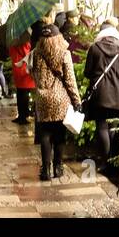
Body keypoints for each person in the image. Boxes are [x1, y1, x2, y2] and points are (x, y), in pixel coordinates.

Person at [31, 22, 82, 180]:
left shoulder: (37, 53)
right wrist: (77, 101)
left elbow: (34, 75)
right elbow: (70, 80)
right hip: (60, 99)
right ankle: (58, 167)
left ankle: (45, 169)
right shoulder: (64, 54)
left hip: (42, 98)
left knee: (45, 134)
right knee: (59, 134)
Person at [83, 16, 119, 177]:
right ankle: (113, 164)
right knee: (113, 128)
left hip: (100, 96)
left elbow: (87, 73)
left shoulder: (95, 48)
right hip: (118, 96)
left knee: (102, 127)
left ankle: (105, 163)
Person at [8, 31, 36, 124]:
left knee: (20, 94)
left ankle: (21, 116)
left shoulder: (12, 41)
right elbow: (27, 54)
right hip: (24, 69)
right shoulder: (24, 42)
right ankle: (24, 117)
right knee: (24, 94)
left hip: (17, 68)